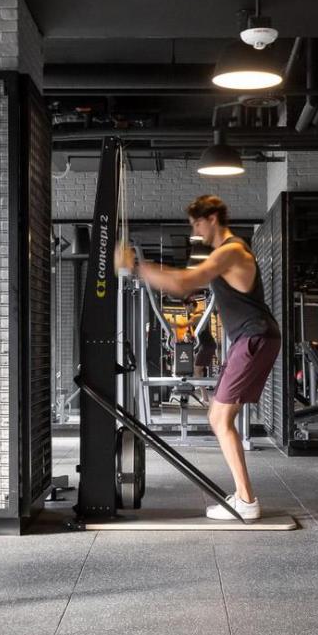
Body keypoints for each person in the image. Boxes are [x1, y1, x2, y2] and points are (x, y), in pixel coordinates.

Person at [116, 195, 273, 520]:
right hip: (248, 338)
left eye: (197, 224)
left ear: (212, 218)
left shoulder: (231, 250)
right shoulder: (226, 252)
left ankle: (247, 501)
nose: (195, 231)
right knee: (218, 415)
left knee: (220, 419)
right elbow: (185, 288)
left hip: (255, 336)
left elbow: (185, 282)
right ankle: (244, 497)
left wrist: (137, 267)